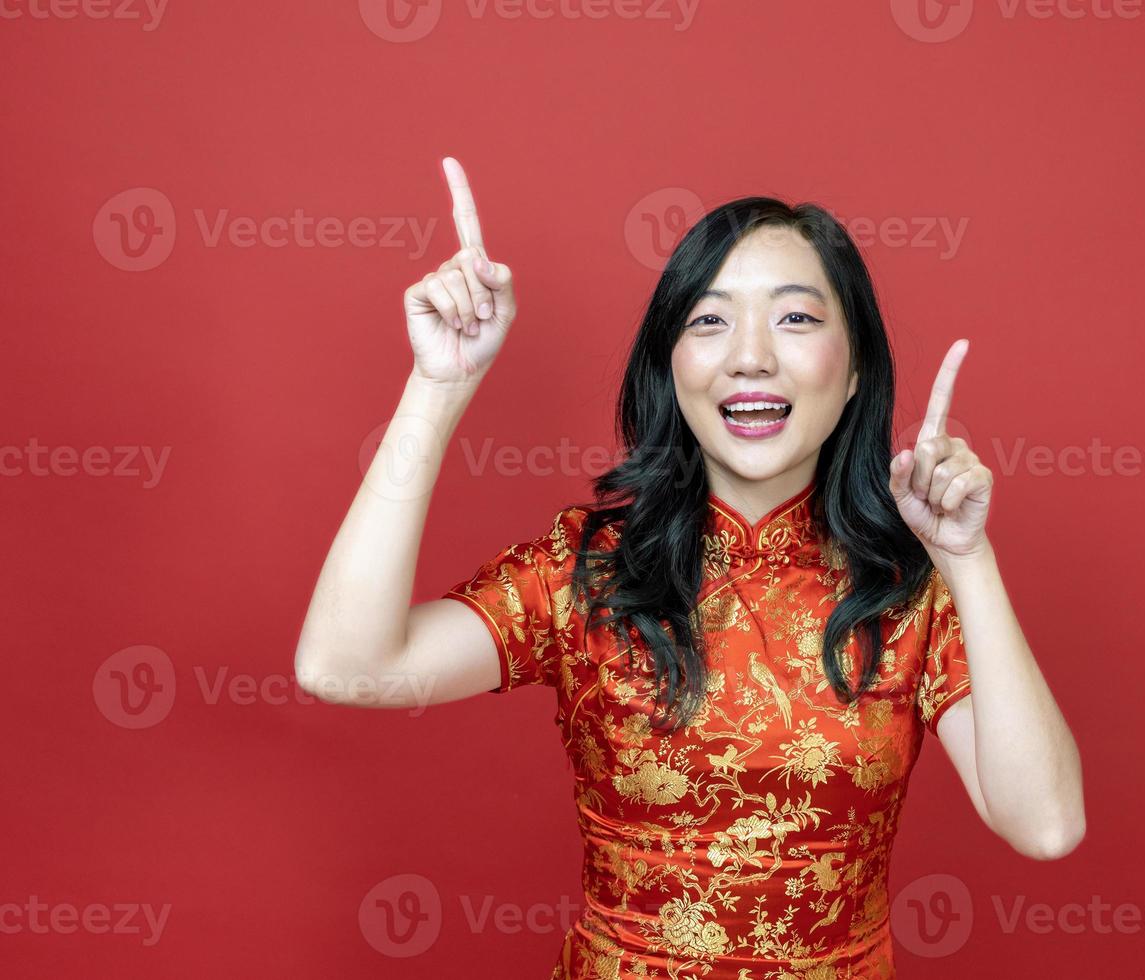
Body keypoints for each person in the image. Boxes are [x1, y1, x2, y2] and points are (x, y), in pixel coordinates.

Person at [294, 157, 1085, 978]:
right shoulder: (589, 571)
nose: (749, 357)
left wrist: (967, 559)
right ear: (670, 368)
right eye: (709, 321)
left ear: (854, 373)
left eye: (796, 319)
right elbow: (344, 666)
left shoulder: (902, 589)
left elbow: (1047, 825)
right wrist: (437, 384)